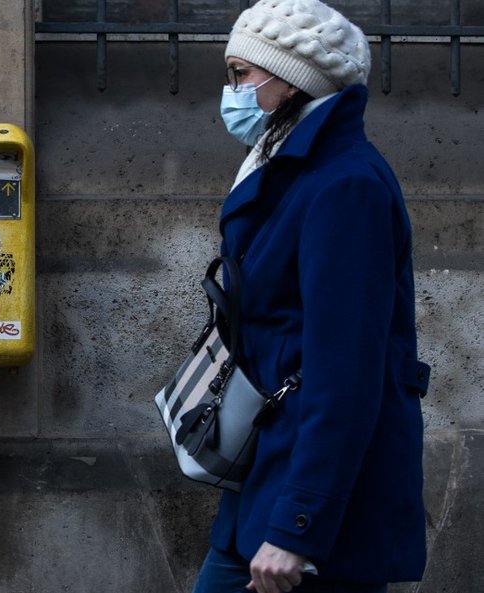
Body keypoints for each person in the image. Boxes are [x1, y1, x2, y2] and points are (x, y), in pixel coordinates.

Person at [191, 1, 430, 592]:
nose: (233, 92)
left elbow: (346, 373)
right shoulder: (289, 168)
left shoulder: (345, 186)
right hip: (271, 472)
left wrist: (299, 526)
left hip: (315, 506)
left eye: (242, 74)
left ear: (291, 78)